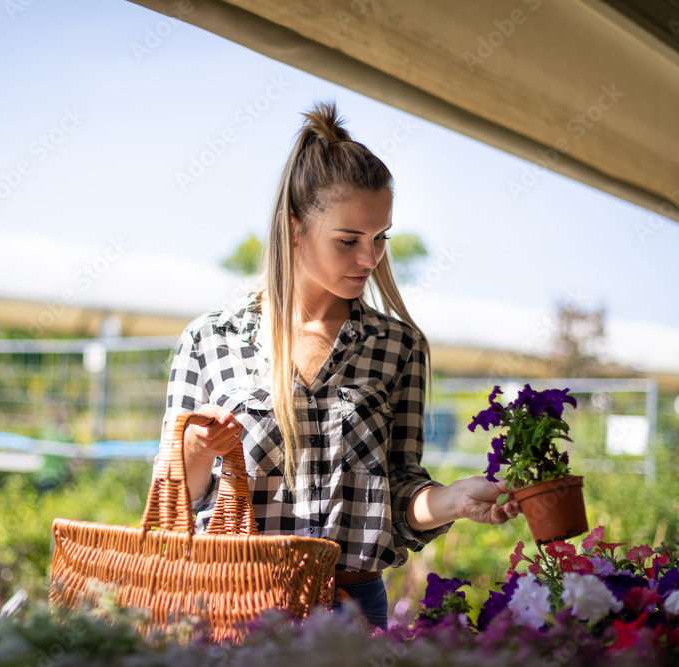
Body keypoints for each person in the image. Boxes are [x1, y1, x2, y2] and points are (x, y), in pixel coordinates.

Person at [157, 100, 520, 631]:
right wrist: (190, 445)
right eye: (348, 241)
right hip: (231, 611)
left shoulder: (399, 346)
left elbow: (399, 497)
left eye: (380, 238)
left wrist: (454, 500)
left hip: (352, 610)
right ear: (294, 228)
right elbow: (170, 502)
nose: (369, 259)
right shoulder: (210, 339)